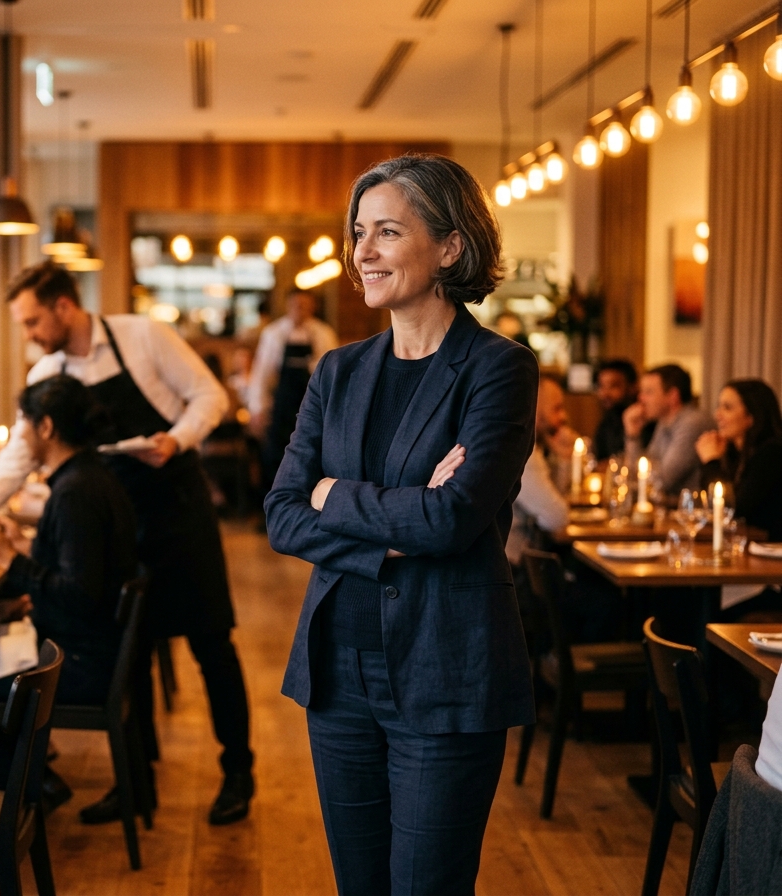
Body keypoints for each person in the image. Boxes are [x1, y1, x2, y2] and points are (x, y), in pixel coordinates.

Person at [265, 154, 538, 894]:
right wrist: (395, 519)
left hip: (446, 670)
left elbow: (452, 519)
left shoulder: (498, 368)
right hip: (338, 675)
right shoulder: (337, 370)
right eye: (360, 232)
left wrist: (335, 495)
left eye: (388, 231)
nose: (363, 252)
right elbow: (282, 515)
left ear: (451, 246)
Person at [0, 261, 256, 826]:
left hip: (177, 510)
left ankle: (237, 771)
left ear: (63, 307)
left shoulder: (141, 336)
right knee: (132, 650)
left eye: (30, 321)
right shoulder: (49, 372)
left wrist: (175, 439)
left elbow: (209, 396)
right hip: (118, 518)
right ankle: (135, 784)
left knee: (212, 646)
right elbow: (15, 460)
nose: (28, 335)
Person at [0, 375, 138, 787]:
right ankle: (24, 773)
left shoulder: (75, 493)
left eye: (22, 424)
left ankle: (8, 787)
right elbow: (84, 570)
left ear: (45, 427)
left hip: (75, 662)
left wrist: (11, 560)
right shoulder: (90, 476)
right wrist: (28, 550)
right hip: (82, 648)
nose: (19, 435)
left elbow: (79, 595)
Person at [695, 379, 782, 619]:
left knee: (703, 611)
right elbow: (710, 506)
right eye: (718, 406)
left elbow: (734, 510)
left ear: (752, 417)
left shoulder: (772, 454)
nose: (717, 415)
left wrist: (711, 463)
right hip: (752, 561)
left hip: (770, 573)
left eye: (727, 407)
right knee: (682, 600)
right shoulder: (737, 454)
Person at [248, 288, 338, 492]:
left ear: (312, 307)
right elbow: (262, 374)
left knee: (312, 456)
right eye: (296, 305)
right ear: (288, 306)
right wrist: (257, 408)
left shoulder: (323, 333)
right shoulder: (274, 333)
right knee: (275, 457)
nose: (300, 310)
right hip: (282, 406)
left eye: (305, 306)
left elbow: (332, 376)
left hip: (313, 407)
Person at [506, 375, 573, 565]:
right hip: (512, 568)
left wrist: (563, 460)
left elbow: (556, 501)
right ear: (536, 408)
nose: (563, 417)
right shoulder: (522, 449)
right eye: (556, 408)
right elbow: (557, 517)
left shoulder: (527, 443)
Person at [623, 363, 711, 499]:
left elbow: (662, 481)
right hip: (668, 507)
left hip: (687, 512)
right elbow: (639, 473)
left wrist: (644, 476)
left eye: (648, 392)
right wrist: (632, 435)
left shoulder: (692, 424)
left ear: (672, 396)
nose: (641, 398)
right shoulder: (664, 422)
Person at [592, 359, 640, 461]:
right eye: (601, 386)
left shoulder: (643, 421)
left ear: (633, 387)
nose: (604, 393)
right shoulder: (607, 421)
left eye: (613, 386)